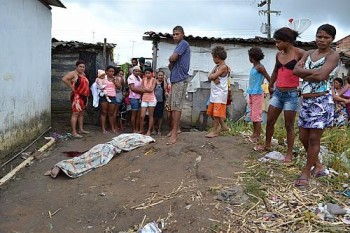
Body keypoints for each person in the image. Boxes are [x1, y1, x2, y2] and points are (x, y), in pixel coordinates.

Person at [293, 24, 340, 188]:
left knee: (314, 138)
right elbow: (295, 71)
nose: (322, 40)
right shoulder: (308, 53)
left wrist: (307, 74)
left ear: (332, 39)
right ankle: (318, 165)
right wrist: (314, 74)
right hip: (306, 101)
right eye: (319, 36)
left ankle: (307, 171)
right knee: (302, 137)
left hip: (321, 102)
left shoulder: (333, 56)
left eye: (326, 37)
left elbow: (322, 76)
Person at [254, 27, 305, 163]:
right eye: (275, 42)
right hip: (278, 93)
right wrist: (270, 84)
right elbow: (276, 71)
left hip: (291, 94)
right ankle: (267, 145)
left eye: (278, 42)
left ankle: (289, 154)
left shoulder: (299, 53)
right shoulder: (279, 55)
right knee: (270, 121)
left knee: (289, 125)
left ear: (287, 41)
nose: (276, 45)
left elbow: (309, 59)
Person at [167, 25, 191, 145]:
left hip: (180, 80)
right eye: (174, 34)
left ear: (182, 34)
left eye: (177, 34)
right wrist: (171, 61)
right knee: (172, 106)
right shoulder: (179, 46)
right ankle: (176, 129)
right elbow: (171, 63)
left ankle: (175, 133)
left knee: (176, 107)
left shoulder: (183, 44)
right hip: (175, 79)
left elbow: (173, 58)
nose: (175, 36)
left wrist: (171, 59)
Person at [205, 46, 231, 138]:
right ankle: (223, 126)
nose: (213, 59)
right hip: (215, 93)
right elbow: (209, 76)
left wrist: (213, 77)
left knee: (216, 114)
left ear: (217, 57)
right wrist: (213, 77)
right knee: (216, 112)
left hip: (220, 94)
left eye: (213, 57)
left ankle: (214, 131)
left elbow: (211, 76)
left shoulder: (223, 67)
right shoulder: (217, 66)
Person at [246, 47, 271, 143]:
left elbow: (268, 78)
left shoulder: (260, 67)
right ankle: (254, 134)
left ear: (252, 57)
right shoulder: (254, 67)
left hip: (257, 93)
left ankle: (257, 135)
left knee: (257, 115)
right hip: (252, 93)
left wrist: (270, 88)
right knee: (253, 114)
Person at [62, 60, 90, 138]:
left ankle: (81, 129)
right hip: (77, 97)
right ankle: (74, 132)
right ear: (76, 67)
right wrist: (72, 87)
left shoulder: (83, 74)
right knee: (75, 114)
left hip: (84, 96)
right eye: (80, 66)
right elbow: (64, 79)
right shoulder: (73, 74)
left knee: (81, 113)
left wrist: (86, 97)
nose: (82, 68)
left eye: (83, 67)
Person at [96, 66, 118, 134]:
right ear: (106, 72)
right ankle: (103, 129)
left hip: (113, 97)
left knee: (111, 113)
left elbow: (119, 87)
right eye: (109, 71)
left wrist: (115, 82)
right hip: (104, 96)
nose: (111, 73)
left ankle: (112, 128)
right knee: (103, 113)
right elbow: (97, 83)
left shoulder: (115, 78)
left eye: (112, 71)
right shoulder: (102, 77)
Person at [139, 67, 156, 135]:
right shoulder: (143, 79)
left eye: (149, 73)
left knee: (150, 116)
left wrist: (145, 90)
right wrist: (147, 90)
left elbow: (151, 90)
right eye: (146, 73)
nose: (147, 74)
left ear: (151, 73)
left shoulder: (154, 80)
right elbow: (141, 89)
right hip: (144, 98)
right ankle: (141, 130)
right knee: (142, 116)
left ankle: (149, 131)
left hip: (151, 99)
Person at [127, 66, 143, 133]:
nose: (137, 72)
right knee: (134, 114)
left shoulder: (139, 78)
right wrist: (142, 91)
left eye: (138, 71)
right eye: (136, 71)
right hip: (134, 97)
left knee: (139, 115)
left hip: (140, 98)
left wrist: (142, 92)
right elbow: (132, 88)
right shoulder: (131, 77)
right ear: (133, 71)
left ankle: (137, 128)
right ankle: (134, 129)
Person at [153, 70, 166, 135]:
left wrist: (165, 80)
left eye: (162, 75)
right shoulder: (154, 82)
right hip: (153, 101)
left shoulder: (163, 83)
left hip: (161, 102)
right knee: (153, 116)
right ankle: (152, 129)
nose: (160, 76)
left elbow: (165, 88)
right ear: (157, 76)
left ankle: (159, 130)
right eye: (159, 75)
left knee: (160, 116)